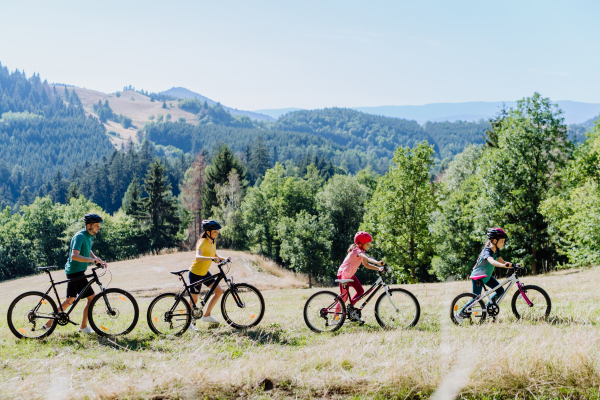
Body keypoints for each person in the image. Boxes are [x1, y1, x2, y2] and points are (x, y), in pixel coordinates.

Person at [43, 214, 107, 333]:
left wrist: (97, 259)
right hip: (75, 272)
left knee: (70, 299)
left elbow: (88, 250)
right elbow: (74, 256)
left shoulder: (89, 235)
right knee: (91, 299)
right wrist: (92, 260)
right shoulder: (80, 237)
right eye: (97, 225)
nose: (99, 228)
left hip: (75, 271)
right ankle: (83, 327)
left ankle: (48, 324)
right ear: (89, 226)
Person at [457, 227, 517, 322]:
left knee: (500, 290)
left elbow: (502, 261)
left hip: (487, 277)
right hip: (478, 277)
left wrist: (513, 265)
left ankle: (489, 308)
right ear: (494, 240)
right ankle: (460, 314)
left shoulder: (496, 251)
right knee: (476, 298)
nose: (503, 243)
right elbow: (492, 261)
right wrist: (503, 265)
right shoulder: (487, 251)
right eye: (502, 241)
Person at [334, 231, 385, 324]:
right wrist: (377, 262)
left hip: (350, 274)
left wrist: (378, 268)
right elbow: (368, 258)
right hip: (343, 274)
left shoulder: (362, 251)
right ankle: (335, 319)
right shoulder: (357, 250)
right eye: (367, 243)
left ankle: (350, 306)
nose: (369, 245)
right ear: (361, 243)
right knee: (344, 298)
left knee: (360, 291)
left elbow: (366, 264)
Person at [188, 219, 230, 330]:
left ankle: (206, 315)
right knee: (194, 300)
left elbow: (213, 253)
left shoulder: (212, 241)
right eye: (215, 231)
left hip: (204, 272)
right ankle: (187, 324)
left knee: (218, 291)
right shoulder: (202, 243)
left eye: (217, 231)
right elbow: (198, 256)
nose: (217, 233)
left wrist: (223, 258)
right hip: (196, 273)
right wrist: (212, 259)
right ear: (208, 232)